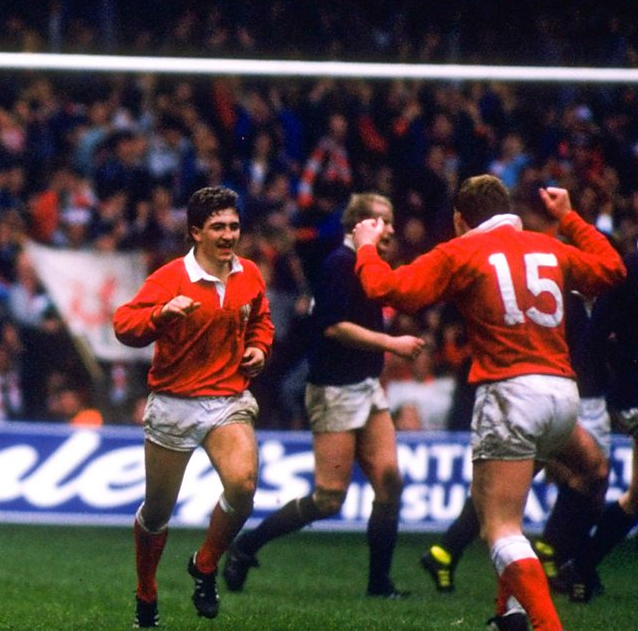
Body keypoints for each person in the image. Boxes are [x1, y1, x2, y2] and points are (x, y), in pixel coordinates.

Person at [351, 175, 624, 631]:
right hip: (562, 393)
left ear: (461, 219)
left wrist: (365, 248)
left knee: (499, 527)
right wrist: (569, 218)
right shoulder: (548, 246)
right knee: (589, 470)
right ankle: (508, 614)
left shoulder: (461, 251)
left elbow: (389, 290)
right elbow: (612, 269)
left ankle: (546, 625)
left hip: (510, 395)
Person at [223, 193, 424, 598]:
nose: (389, 229)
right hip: (334, 390)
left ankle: (379, 585)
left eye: (390, 221)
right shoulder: (340, 264)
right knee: (329, 498)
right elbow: (333, 326)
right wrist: (392, 343)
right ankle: (246, 546)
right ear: (357, 225)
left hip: (366, 386)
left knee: (390, 481)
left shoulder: (368, 264)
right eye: (380, 221)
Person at [113, 187, 273, 627]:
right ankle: (146, 592)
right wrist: (161, 315)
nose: (228, 235)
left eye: (234, 226)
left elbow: (261, 320)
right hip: (174, 404)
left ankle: (204, 566)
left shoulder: (249, 274)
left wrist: (259, 348)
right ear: (196, 232)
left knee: (243, 486)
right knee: (157, 512)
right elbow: (124, 324)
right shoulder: (170, 278)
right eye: (218, 227)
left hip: (227, 399)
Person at [557, 248, 638, 603]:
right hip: (631, 394)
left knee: (636, 499)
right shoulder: (629, 269)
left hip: (626, 392)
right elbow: (594, 337)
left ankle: (580, 565)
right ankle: (577, 562)